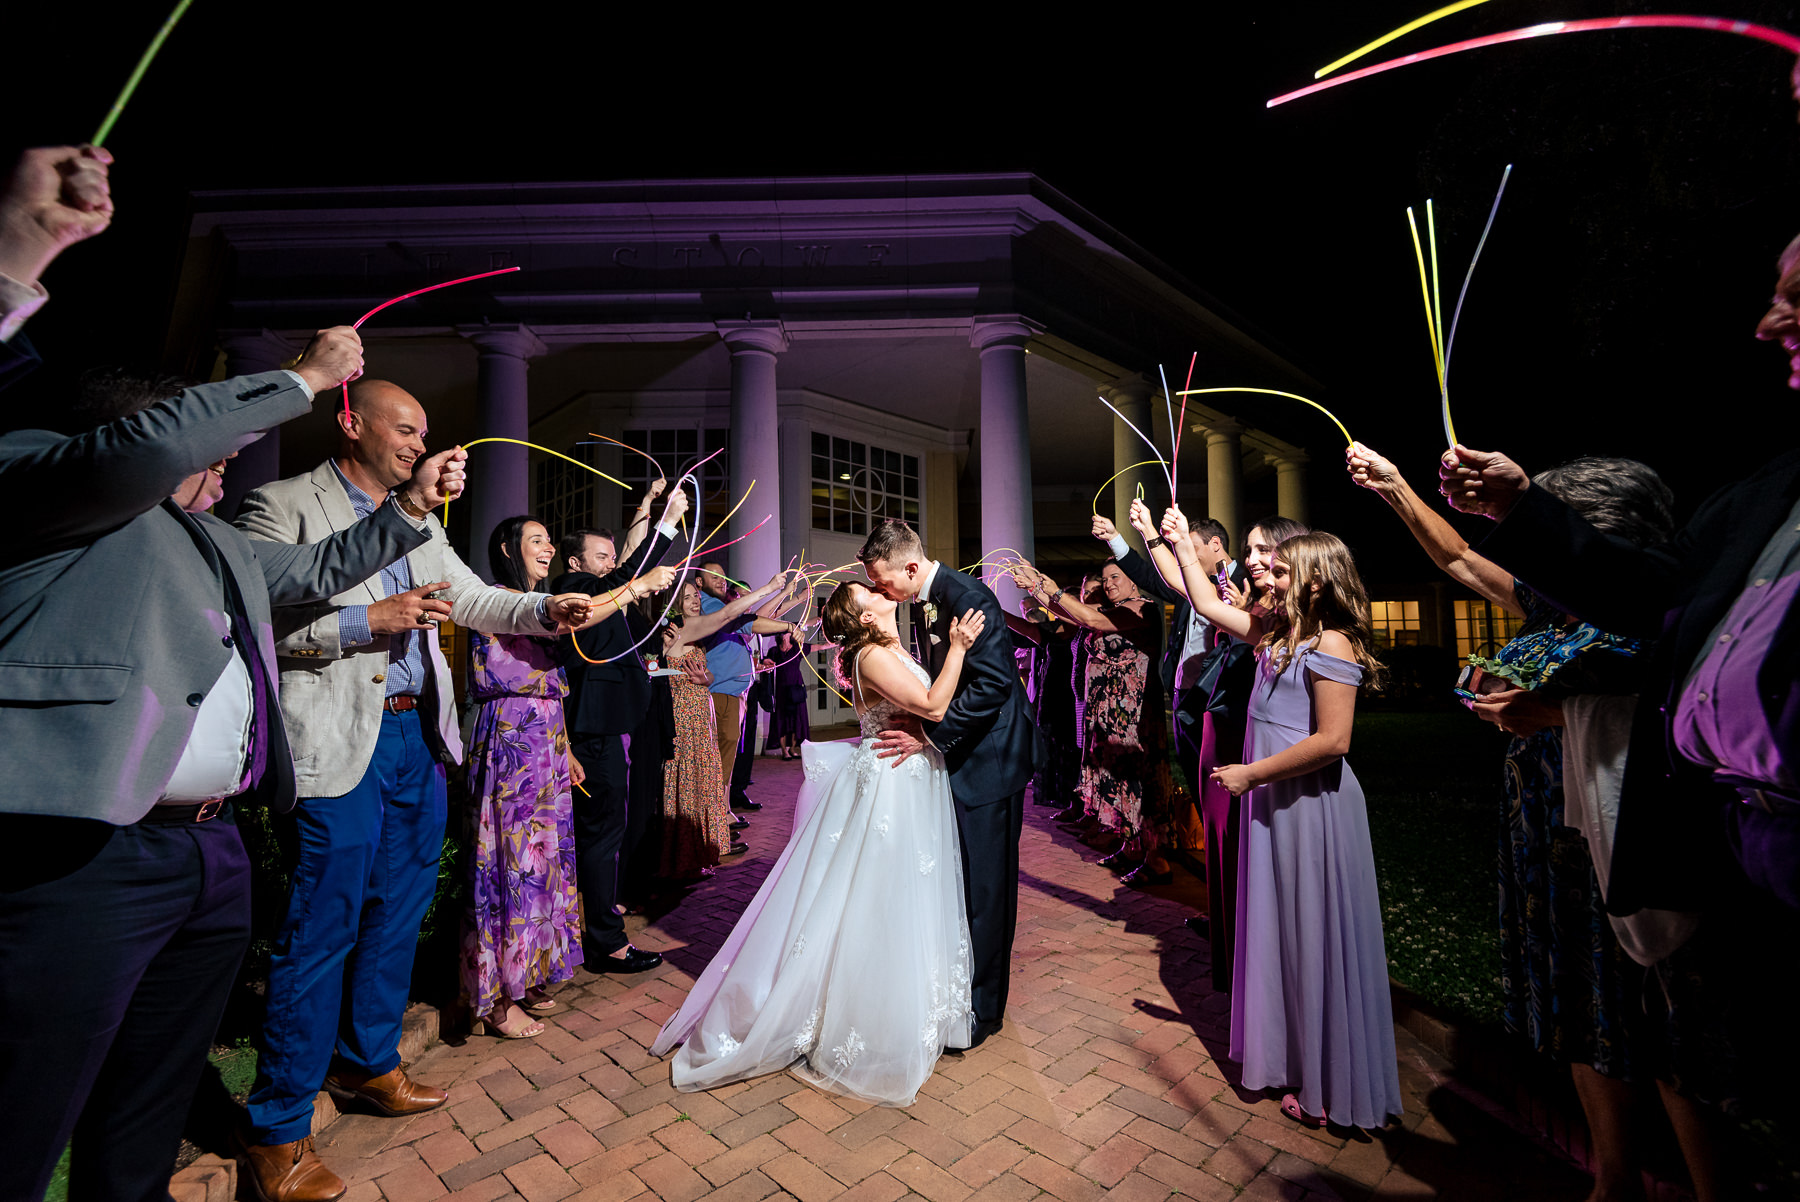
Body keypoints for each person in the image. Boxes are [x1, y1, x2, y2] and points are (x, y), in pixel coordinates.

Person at [0, 143, 450, 1202]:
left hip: (206, 854)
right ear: (134, 437)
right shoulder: (62, 491)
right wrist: (300, 378)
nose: (222, 463)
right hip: (84, 847)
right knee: (26, 1106)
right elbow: (152, 451)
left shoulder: (213, 541)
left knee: (145, 1108)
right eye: (202, 445)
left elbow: (326, 566)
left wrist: (413, 503)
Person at [233, 380, 592, 1199]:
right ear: (351, 422)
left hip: (415, 736)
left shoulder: (420, 522)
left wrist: (545, 608)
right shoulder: (281, 506)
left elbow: (471, 596)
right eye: (405, 429)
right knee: (321, 924)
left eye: (424, 432)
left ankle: (368, 1063)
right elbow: (263, 624)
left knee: (396, 910)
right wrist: (369, 622)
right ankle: (278, 1125)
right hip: (337, 738)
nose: (417, 442)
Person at [1346, 443, 1724, 1200]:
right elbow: (1458, 559)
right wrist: (1394, 489)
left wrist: (1554, 709)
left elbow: (1681, 712)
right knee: (1587, 1015)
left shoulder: (1662, 611)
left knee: (1669, 1029)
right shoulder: (1554, 609)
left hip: (1630, 849)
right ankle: (1611, 1180)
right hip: (1552, 848)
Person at [649, 580, 986, 1104]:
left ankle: (911, 1008)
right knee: (877, 898)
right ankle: (865, 1016)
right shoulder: (872, 656)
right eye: (867, 593)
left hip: (911, 778)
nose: (879, 590)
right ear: (864, 617)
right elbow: (933, 706)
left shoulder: (889, 646)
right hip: (891, 786)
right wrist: (960, 650)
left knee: (906, 895)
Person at [1164, 511, 1404, 1130]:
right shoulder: (1276, 634)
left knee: (1315, 932)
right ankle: (1293, 1057)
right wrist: (1178, 544)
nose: (1268, 573)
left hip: (1311, 806)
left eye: (1282, 567)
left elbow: (1335, 741)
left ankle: (1331, 1084)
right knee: (1282, 931)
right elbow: (1210, 608)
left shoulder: (1331, 644)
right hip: (1276, 803)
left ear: (1317, 581)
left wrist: (1251, 774)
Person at [461, 515, 676, 1039]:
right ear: (509, 548)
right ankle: (495, 998)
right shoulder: (497, 600)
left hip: (546, 738)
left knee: (544, 866)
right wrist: (640, 583)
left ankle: (528, 973)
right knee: (510, 866)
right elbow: (572, 620)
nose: (547, 547)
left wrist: (564, 748)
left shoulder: (538, 603)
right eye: (536, 540)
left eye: (548, 540)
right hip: (512, 737)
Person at [859, 519, 1043, 1048]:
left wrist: (929, 734)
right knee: (963, 884)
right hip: (963, 758)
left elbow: (992, 686)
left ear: (911, 568)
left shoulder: (967, 597)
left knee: (988, 890)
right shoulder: (926, 598)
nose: (879, 591)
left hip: (991, 763)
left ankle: (985, 1012)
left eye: (883, 581)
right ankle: (962, 992)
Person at [549, 496, 688, 974]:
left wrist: (651, 517)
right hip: (594, 728)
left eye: (611, 556)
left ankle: (599, 920)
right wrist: (665, 525)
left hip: (607, 727)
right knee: (602, 834)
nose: (612, 564)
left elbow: (624, 571)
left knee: (607, 831)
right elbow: (627, 574)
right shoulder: (576, 590)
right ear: (576, 563)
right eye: (602, 555)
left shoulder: (597, 589)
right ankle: (605, 941)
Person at [1011, 556, 1175, 885]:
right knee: (1117, 784)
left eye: (1116, 577)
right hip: (1109, 716)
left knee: (1138, 785)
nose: (1110, 583)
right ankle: (1130, 847)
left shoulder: (1141, 609)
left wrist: (1051, 590)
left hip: (1134, 718)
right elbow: (1074, 616)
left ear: (1134, 582)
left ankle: (1156, 861)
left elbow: (1088, 618)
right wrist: (1037, 588)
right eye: (1106, 578)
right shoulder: (1112, 611)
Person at [657, 574, 798, 874]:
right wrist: (771, 587)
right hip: (684, 716)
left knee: (704, 779)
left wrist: (703, 678)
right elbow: (730, 614)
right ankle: (687, 853)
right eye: (688, 598)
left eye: (696, 596)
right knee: (690, 781)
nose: (696, 601)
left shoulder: (692, 633)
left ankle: (703, 848)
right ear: (672, 606)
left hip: (700, 711)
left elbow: (706, 674)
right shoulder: (680, 629)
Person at [694, 560, 804, 813]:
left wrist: (790, 596)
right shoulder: (711, 606)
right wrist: (777, 598)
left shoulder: (723, 608)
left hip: (734, 692)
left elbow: (758, 618)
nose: (722, 579)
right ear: (699, 582)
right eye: (714, 576)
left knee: (727, 758)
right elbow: (753, 621)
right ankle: (716, 818)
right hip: (721, 692)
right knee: (720, 759)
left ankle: (723, 813)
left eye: (724, 575)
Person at [767, 628, 812, 757]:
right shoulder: (774, 651)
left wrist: (831, 644)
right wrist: (765, 664)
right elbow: (766, 663)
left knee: (795, 720)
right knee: (782, 720)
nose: (785, 634)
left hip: (796, 690)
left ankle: (792, 749)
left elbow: (816, 647)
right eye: (782, 632)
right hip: (781, 691)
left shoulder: (797, 649)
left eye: (786, 631)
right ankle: (784, 751)